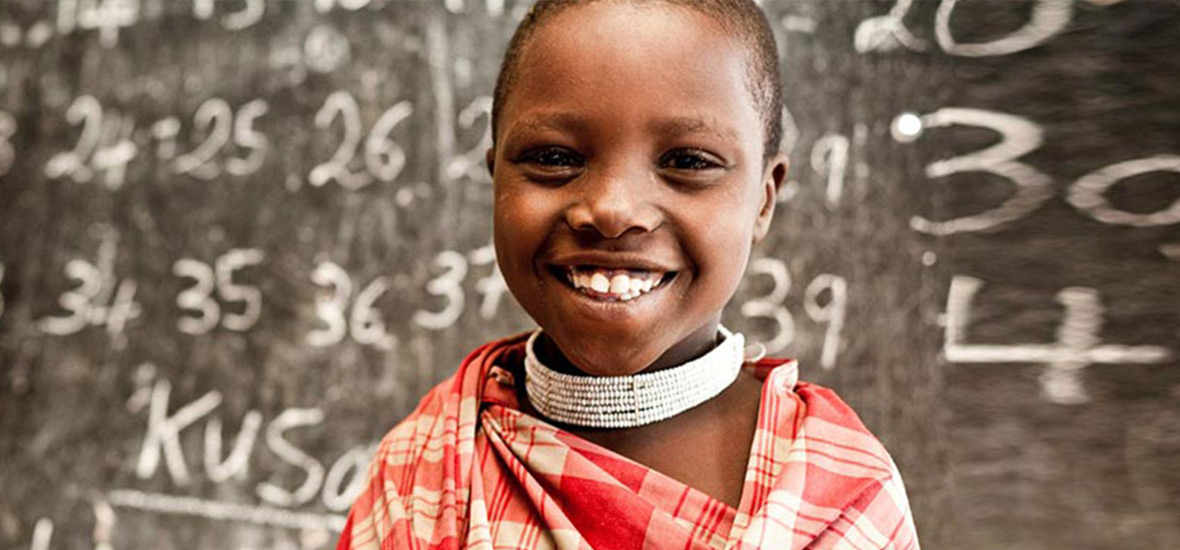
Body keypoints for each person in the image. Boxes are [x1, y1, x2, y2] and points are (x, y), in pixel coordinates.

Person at [337, 0, 919, 548]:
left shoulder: (839, 494)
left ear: (764, 200)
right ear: (496, 177)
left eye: (687, 162)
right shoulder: (428, 467)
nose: (613, 210)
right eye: (555, 158)